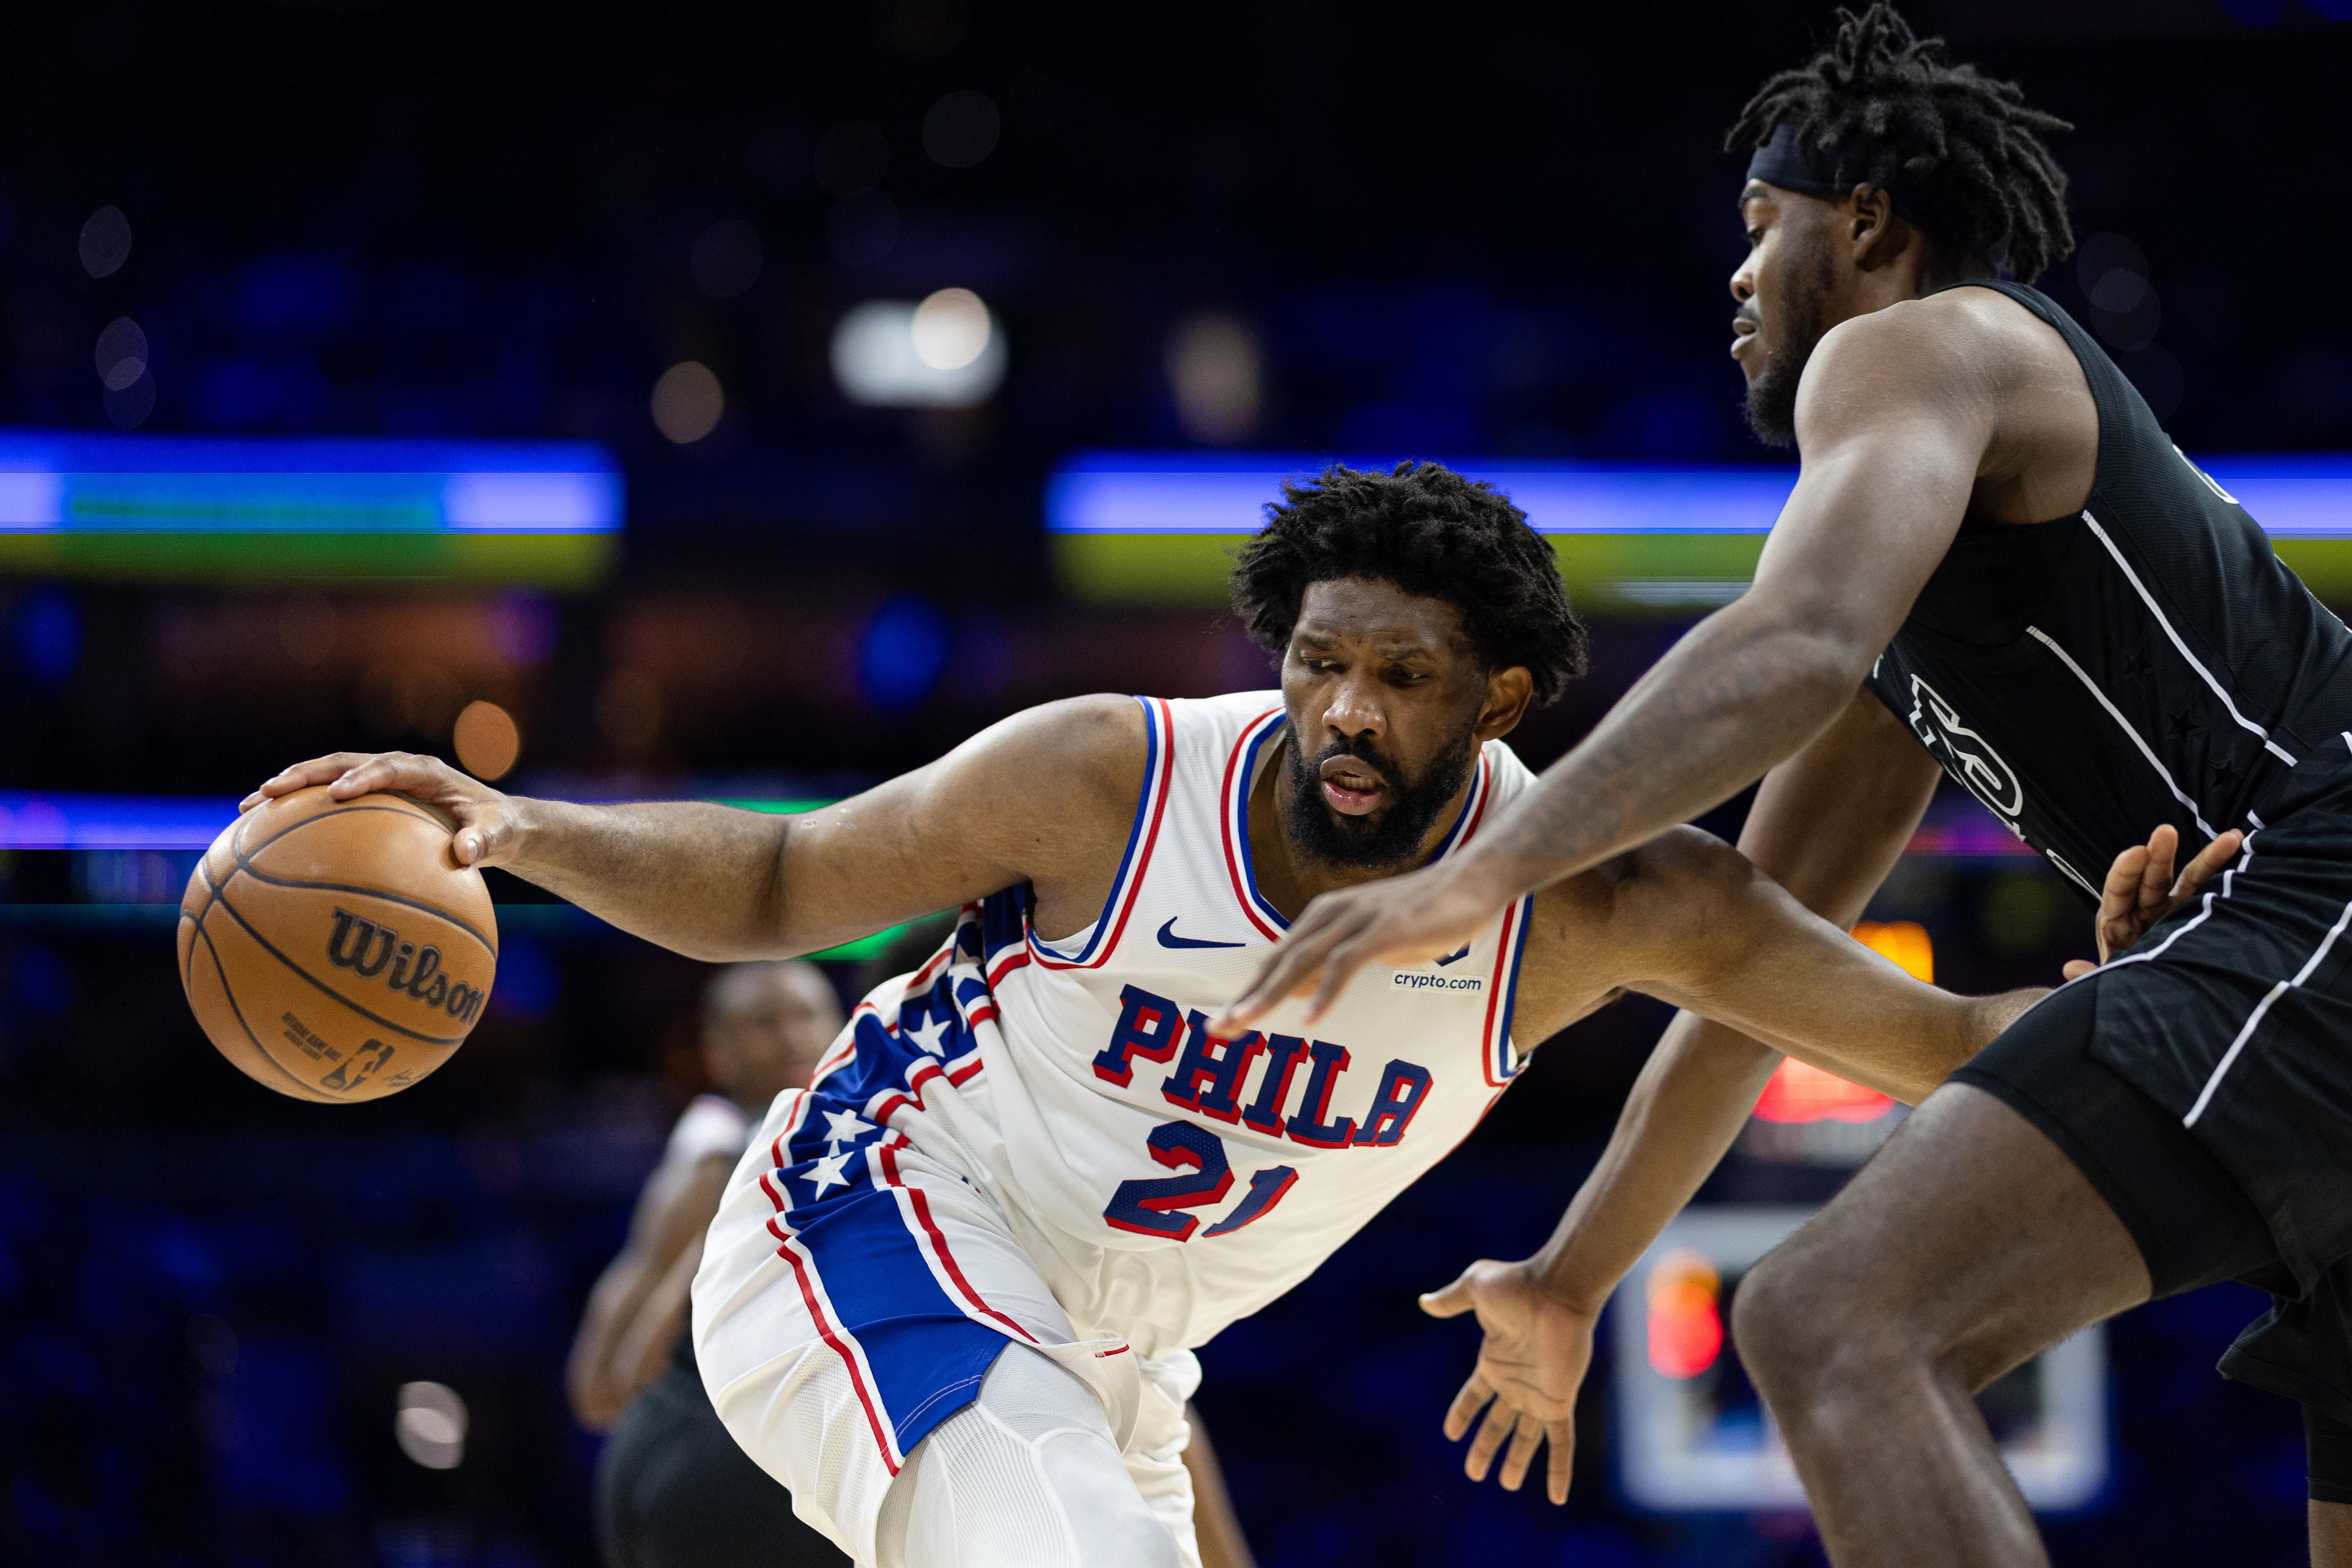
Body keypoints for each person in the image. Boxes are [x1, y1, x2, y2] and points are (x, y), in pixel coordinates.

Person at [246, 461, 2048, 1567]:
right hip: (873, 1225)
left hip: (1115, 1353)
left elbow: (1956, 1046)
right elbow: (790, 888)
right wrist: (528, 827)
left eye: (1399, 680)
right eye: (1316, 661)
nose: (1342, 712)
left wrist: (2182, 948)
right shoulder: (1112, 775)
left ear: (1497, 698)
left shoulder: (1597, 903)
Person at [1216, 6, 2352, 1561]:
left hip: (2323, 886)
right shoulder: (1926, 625)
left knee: (1834, 1318)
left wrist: (1479, 871)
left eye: (1761, 225)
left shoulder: (1927, 344)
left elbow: (1793, 635)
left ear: (1866, 219)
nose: (1736, 280)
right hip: (2278, 939)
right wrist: (1569, 1279)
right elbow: (1747, 964)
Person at [567, 959, 852, 1568]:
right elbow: (603, 1383)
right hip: (707, 1479)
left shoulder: (839, 1139)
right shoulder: (719, 1161)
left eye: (807, 1015)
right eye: (765, 1023)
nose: (792, 1037)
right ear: (718, 1053)